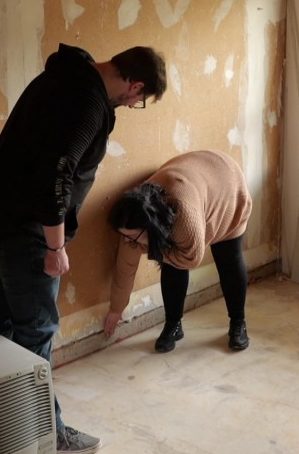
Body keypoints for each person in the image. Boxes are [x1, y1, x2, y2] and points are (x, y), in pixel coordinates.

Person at [0, 43, 166, 454]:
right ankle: (45, 434)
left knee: (4, 326)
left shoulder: (67, 75)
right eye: (138, 102)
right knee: (35, 333)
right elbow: (56, 178)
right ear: (135, 86)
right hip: (23, 234)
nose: (132, 107)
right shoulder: (87, 101)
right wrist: (55, 247)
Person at [103, 150, 253, 353]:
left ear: (152, 229)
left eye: (133, 238)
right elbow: (125, 267)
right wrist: (116, 308)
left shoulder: (184, 219)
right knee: (170, 262)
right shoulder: (132, 221)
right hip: (197, 180)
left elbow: (191, 258)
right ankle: (173, 325)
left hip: (227, 186)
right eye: (125, 237)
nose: (129, 242)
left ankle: (238, 323)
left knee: (228, 259)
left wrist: (160, 251)